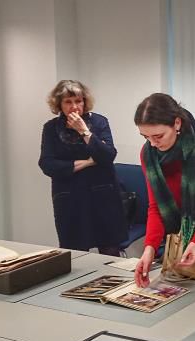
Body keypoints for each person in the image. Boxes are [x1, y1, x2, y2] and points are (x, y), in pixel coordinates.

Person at [133, 93, 195, 287]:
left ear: (177, 123)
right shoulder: (149, 154)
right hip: (181, 235)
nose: (153, 144)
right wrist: (149, 249)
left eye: (158, 136)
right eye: (146, 137)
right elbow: (156, 207)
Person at [39, 80, 127, 256]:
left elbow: (108, 156)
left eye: (78, 101)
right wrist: (87, 162)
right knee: (75, 253)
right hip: (70, 198)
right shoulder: (51, 128)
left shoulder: (100, 122)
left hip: (103, 196)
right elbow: (47, 164)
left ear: (85, 102)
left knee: (110, 251)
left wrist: (84, 131)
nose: (74, 107)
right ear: (59, 104)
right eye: (68, 102)